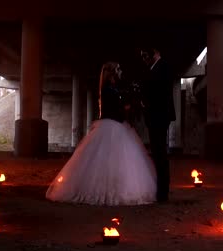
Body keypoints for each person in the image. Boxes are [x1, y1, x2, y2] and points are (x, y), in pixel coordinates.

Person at [45, 62, 157, 206]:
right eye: (118, 69)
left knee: (111, 160)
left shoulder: (111, 89)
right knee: (110, 160)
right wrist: (128, 105)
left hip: (113, 125)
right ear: (111, 73)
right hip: (112, 125)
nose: (120, 72)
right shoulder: (109, 90)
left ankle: (112, 187)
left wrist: (128, 103)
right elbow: (115, 109)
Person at [139, 47, 176, 202]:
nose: (143, 59)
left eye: (145, 55)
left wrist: (145, 102)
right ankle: (161, 191)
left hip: (159, 117)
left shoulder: (163, 67)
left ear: (154, 52)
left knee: (160, 153)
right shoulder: (157, 68)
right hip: (157, 116)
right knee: (158, 153)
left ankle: (162, 193)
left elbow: (160, 94)